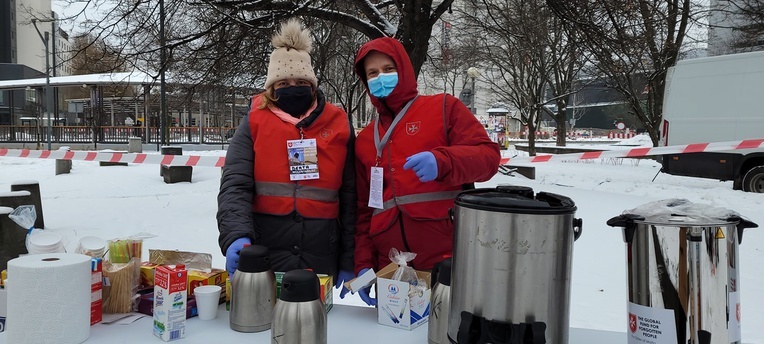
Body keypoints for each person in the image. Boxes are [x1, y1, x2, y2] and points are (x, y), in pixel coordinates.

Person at [352, 37, 501, 306]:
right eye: (372, 73)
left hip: (448, 263)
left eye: (388, 69)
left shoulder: (443, 108)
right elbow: (365, 209)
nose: (380, 77)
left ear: (404, 69)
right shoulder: (365, 140)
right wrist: (363, 263)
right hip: (392, 272)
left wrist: (443, 161)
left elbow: (489, 158)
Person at [217, 18, 357, 298]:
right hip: (265, 248)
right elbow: (235, 184)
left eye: (301, 81)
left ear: (313, 84)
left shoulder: (339, 122)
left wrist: (350, 257)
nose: (293, 87)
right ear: (272, 87)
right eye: (283, 82)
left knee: (314, 327)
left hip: (321, 251)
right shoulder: (254, 122)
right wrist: (235, 235)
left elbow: (351, 195)